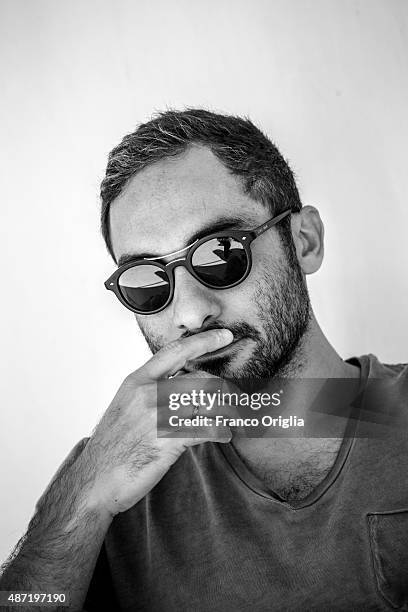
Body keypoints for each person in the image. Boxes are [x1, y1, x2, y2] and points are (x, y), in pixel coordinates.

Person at [1, 109, 407, 611]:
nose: (191, 312)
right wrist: (80, 505)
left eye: (222, 252)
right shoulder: (112, 472)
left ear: (305, 241)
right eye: (147, 281)